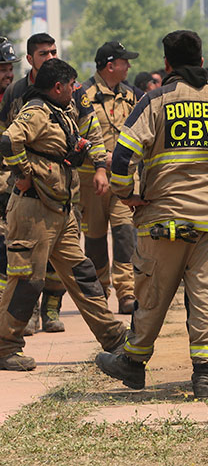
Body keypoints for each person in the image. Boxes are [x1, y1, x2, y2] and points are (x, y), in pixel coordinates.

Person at [95, 30, 208, 397]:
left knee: (151, 294)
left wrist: (126, 194)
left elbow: (121, 157)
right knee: (207, 296)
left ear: (167, 63)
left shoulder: (155, 100)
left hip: (163, 220)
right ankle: (204, 376)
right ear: (200, 59)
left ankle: (132, 365)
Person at [0, 58, 127, 371]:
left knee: (83, 276)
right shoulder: (36, 111)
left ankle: (114, 337)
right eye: (71, 85)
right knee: (28, 281)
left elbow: (85, 139)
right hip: (33, 210)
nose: (75, 90)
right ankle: (5, 347)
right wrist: (24, 172)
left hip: (62, 209)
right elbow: (8, 140)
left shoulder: (63, 111)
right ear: (57, 87)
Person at [80, 42, 140, 315]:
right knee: (94, 238)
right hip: (91, 180)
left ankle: (126, 293)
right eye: (124, 61)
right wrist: (99, 158)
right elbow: (74, 135)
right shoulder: (82, 95)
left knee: (125, 234)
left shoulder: (132, 96)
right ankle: (100, 291)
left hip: (124, 179)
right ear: (110, 65)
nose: (129, 66)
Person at [0, 37, 21, 299]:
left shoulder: (20, 98)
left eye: (9, 68)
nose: (8, 73)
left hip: (12, 185)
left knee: (11, 249)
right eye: (3, 68)